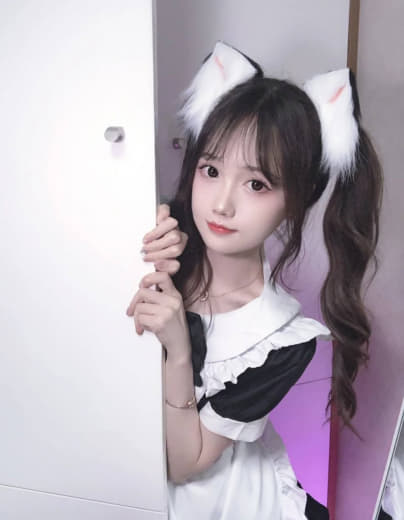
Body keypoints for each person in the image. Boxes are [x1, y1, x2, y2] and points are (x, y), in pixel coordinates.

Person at [126, 41, 383, 519]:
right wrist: (146, 227)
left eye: (256, 184)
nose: (222, 204)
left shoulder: (281, 339)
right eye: (211, 169)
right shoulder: (166, 241)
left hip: (227, 500)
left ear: (296, 200)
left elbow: (185, 464)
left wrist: (179, 352)